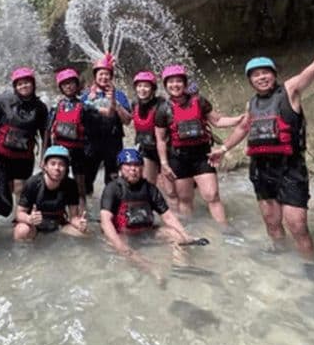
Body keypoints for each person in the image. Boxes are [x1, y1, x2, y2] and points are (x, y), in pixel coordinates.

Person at [209, 20, 314, 261]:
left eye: (265, 73)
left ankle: (310, 268)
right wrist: (224, 148)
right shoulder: (251, 104)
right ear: (250, 80)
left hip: (290, 168)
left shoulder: (289, 90)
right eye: (256, 75)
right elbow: (244, 127)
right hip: (261, 169)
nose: (261, 78)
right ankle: (279, 256)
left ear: (274, 74)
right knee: (271, 222)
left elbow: (312, 69)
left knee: (297, 225)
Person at [155, 64, 243, 224]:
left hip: (202, 156)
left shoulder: (199, 102)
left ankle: (226, 230)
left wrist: (238, 119)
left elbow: (217, 121)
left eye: (178, 81)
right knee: (185, 198)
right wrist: (164, 163)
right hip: (178, 158)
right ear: (166, 85)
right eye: (171, 82)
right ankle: (190, 231)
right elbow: (160, 139)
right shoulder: (163, 109)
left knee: (212, 195)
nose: (175, 85)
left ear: (185, 83)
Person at [99, 148, 195, 283]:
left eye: (137, 165)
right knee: (126, 251)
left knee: (177, 236)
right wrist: (119, 244)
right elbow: (105, 221)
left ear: (142, 168)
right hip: (123, 234)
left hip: (146, 231)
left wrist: (186, 235)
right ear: (120, 168)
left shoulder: (150, 189)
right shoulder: (112, 189)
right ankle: (152, 269)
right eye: (128, 165)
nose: (133, 169)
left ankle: (181, 268)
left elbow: (167, 216)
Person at [0, 67, 48, 201]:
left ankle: (19, 217)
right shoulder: (5, 100)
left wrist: (45, 156)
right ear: (15, 86)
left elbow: (45, 133)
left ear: (33, 84)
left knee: (21, 187)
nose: (24, 86)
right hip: (2, 153)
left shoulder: (40, 107)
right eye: (20, 84)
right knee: (4, 188)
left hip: (24, 155)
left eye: (27, 82)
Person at [81, 53, 132, 196]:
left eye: (107, 74)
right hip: (91, 142)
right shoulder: (86, 96)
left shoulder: (119, 95)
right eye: (100, 74)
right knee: (86, 180)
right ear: (95, 76)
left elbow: (128, 121)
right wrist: (89, 103)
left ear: (111, 76)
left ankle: (111, 209)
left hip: (113, 142)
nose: (104, 77)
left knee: (113, 180)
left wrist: (115, 104)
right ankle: (89, 211)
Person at [13, 145, 89, 240]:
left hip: (57, 224)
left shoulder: (71, 185)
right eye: (53, 164)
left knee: (84, 234)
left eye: (61, 164)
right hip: (34, 225)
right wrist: (29, 219)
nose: (57, 168)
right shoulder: (32, 183)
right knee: (21, 231)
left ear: (66, 168)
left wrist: (79, 223)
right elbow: (19, 214)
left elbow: (73, 217)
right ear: (45, 166)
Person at [47, 68, 89, 208]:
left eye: (71, 83)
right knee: (59, 183)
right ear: (61, 88)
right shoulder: (56, 107)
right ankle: (59, 212)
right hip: (60, 151)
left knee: (80, 187)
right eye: (65, 84)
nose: (68, 86)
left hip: (78, 151)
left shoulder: (84, 107)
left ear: (77, 85)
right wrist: (45, 156)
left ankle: (82, 215)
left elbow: (91, 131)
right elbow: (47, 131)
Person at [130, 71, 168, 187]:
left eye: (146, 86)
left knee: (169, 190)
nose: (142, 89)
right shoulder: (135, 104)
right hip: (147, 149)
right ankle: (151, 205)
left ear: (153, 89)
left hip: (166, 150)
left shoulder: (162, 104)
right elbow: (129, 120)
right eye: (139, 86)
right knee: (148, 186)